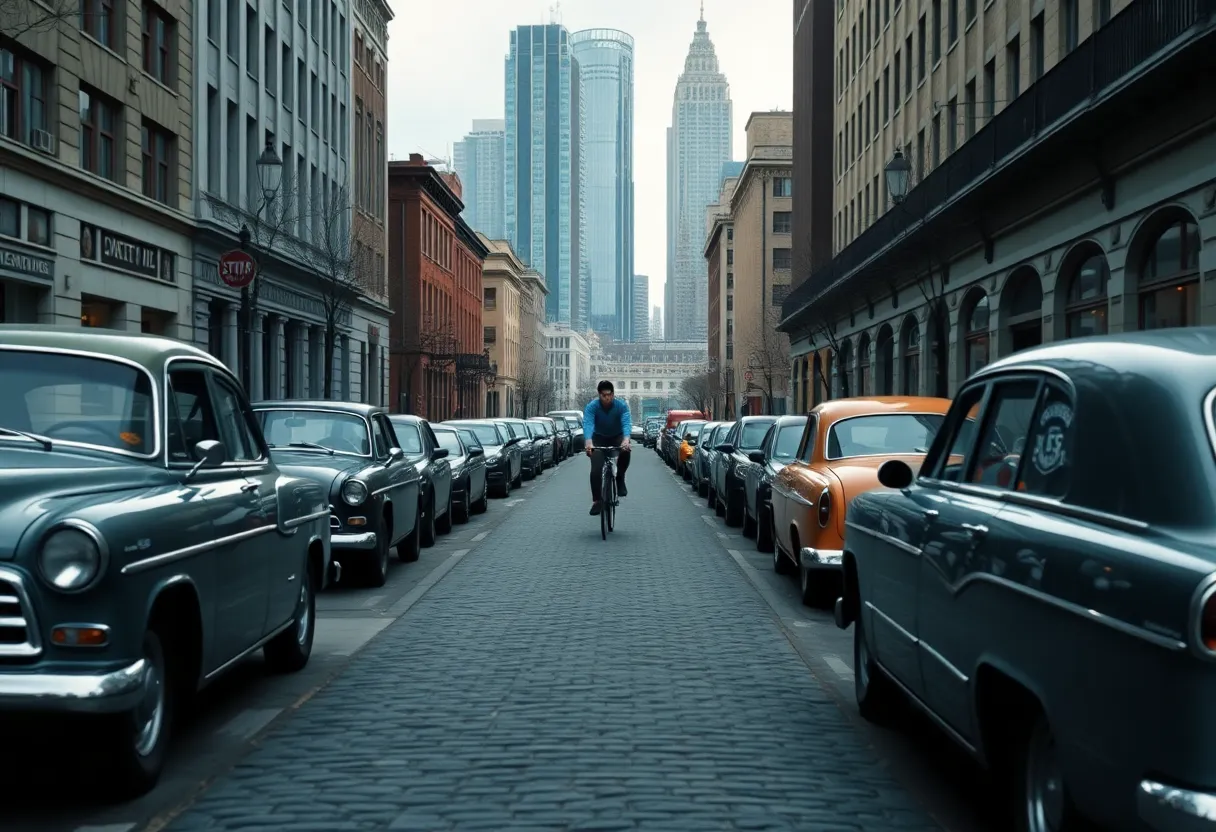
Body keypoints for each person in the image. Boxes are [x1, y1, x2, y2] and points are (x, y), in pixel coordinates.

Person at [583, 380, 632, 515]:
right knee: (596, 469)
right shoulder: (592, 407)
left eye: (609, 395)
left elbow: (626, 423)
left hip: (617, 436)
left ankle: (620, 478)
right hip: (598, 438)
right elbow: (588, 424)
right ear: (599, 395)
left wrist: (626, 440)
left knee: (626, 451)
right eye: (604, 395)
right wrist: (588, 442)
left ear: (613, 394)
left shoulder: (621, 406)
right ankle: (597, 501)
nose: (607, 398)